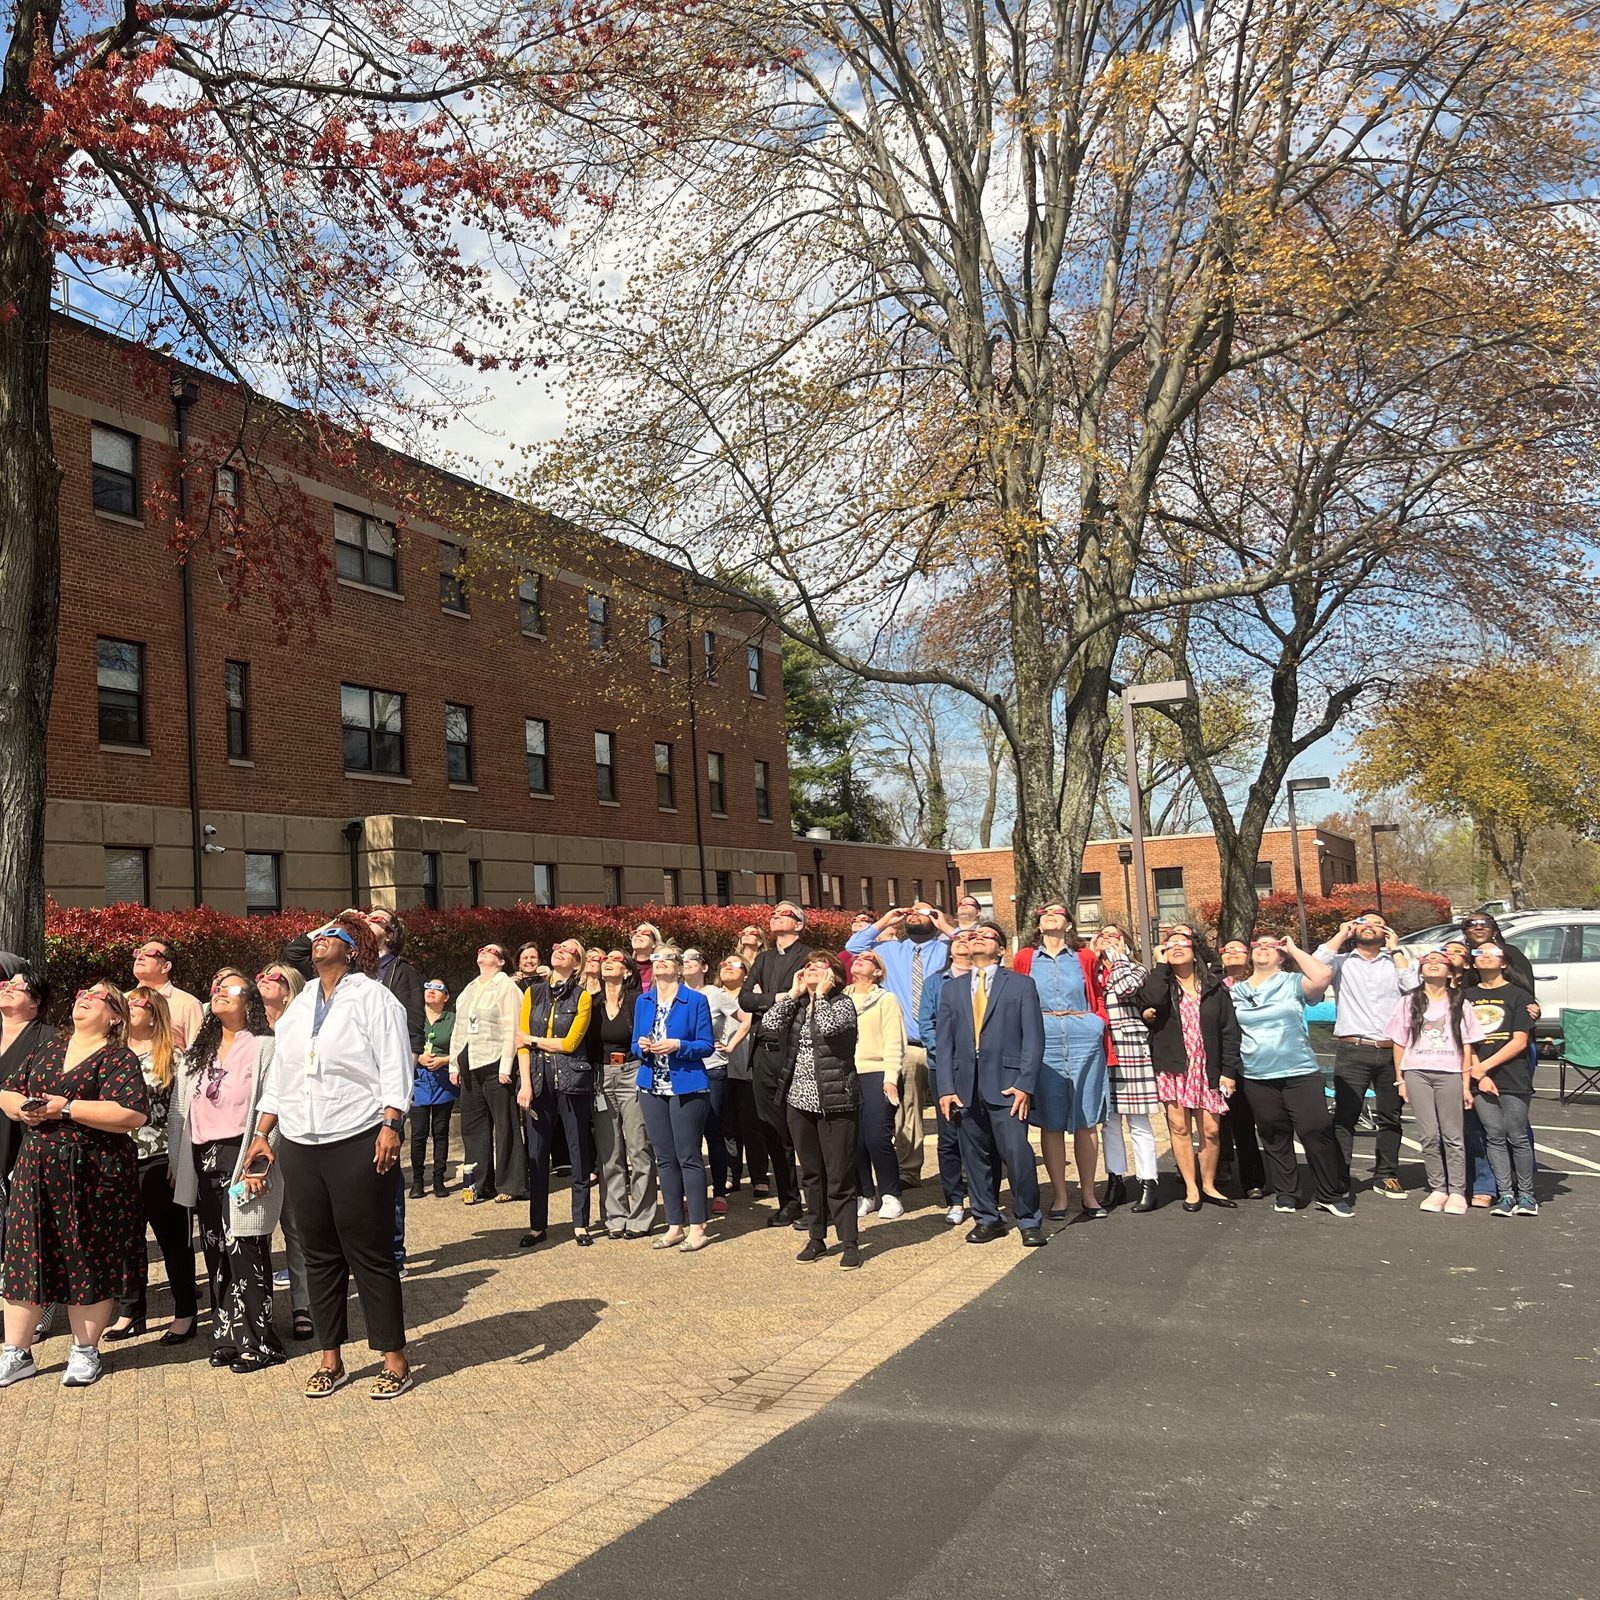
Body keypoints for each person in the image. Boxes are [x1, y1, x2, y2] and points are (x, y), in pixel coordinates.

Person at [244, 913, 414, 1399]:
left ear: (355, 947)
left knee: (369, 1253)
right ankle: (330, 1356)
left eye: (331, 935)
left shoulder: (374, 998)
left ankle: (394, 1358)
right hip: (300, 1142)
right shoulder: (297, 1010)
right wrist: (263, 1134)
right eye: (316, 937)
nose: (319, 941)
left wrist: (391, 1123)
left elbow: (395, 1063)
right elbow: (281, 1078)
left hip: (358, 1136)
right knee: (318, 1253)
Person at [0, 982, 148, 1390]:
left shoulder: (119, 1057)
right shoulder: (47, 1048)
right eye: (82, 991)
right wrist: (23, 1113)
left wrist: (63, 1108)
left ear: (116, 1015)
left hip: (94, 1172)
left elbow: (132, 1112)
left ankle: (85, 1351)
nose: (84, 995)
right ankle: (17, 1353)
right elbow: (8, 1090)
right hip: (38, 1166)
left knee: (88, 1258)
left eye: (97, 995)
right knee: (25, 1254)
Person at [167, 970, 284, 1371]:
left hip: (244, 1154)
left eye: (230, 991)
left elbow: (277, 1105)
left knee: (246, 1247)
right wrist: (176, 1161)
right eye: (215, 990)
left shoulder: (265, 1047)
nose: (219, 993)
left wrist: (262, 1164)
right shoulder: (200, 1050)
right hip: (203, 1158)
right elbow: (179, 1111)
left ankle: (262, 1343)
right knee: (215, 1250)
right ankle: (227, 1337)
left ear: (249, 1003)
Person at [934, 921, 1047, 1249]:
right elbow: (944, 1045)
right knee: (975, 1155)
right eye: (972, 936)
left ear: (1001, 947)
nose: (976, 939)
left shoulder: (1021, 985)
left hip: (1008, 1086)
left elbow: (1034, 1040)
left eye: (986, 936)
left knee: (1017, 1154)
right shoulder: (952, 989)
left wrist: (1025, 1084)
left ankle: (1028, 1219)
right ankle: (987, 1218)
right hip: (965, 1087)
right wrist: (945, 1087)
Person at [1229, 936, 1351, 1217]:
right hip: (1257, 1074)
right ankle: (1286, 1193)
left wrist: (1293, 948)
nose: (1262, 947)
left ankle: (1328, 1194)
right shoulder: (1237, 990)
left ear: (1281, 955)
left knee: (1316, 1130)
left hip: (1299, 1071)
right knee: (1273, 1134)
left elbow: (1322, 975)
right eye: (1258, 944)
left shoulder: (1293, 981)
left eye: (1271, 945)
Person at [105, 987, 198, 1343]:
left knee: (173, 1239)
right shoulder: (111, 1055)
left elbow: (183, 1112)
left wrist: (179, 1158)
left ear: (154, 1012)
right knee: (126, 1241)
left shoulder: (173, 1057)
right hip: (117, 1158)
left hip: (160, 1157)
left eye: (136, 1003)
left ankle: (185, 1311)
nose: (129, 1008)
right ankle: (131, 1310)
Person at [762, 951, 863, 1267]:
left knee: (839, 1175)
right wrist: (793, 993)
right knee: (811, 1174)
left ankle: (850, 1243)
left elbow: (832, 1028)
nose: (809, 970)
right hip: (799, 1102)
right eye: (806, 966)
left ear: (833, 975)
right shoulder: (797, 1006)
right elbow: (768, 1024)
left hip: (835, 1102)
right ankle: (816, 1238)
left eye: (818, 966)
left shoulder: (841, 1004)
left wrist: (820, 995)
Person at [1012, 903, 1110, 1221]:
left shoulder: (1085, 957)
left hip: (1084, 1037)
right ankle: (1059, 1195)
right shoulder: (1025, 957)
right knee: (1051, 1121)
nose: (1050, 915)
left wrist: (1098, 1024)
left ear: (1069, 924)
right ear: (1039, 925)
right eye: (1044, 913)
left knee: (1085, 1119)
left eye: (1057, 912)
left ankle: (1090, 1195)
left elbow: (1098, 994)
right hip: (1044, 1040)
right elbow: (1017, 998)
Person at [845, 901, 950, 1187]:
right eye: (911, 911)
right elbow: (854, 946)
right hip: (908, 1045)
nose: (916, 914)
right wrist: (885, 920)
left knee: (953, 1109)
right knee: (907, 1109)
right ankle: (908, 1170)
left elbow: (970, 945)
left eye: (924, 911)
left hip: (945, 1043)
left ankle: (960, 1169)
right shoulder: (890, 951)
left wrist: (944, 925)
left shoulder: (946, 949)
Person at [1138, 932, 1241, 1213]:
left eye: (1183, 944)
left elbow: (1229, 1031)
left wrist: (1229, 1070)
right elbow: (1149, 1000)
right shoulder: (1162, 984)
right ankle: (1191, 1188)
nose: (1176, 948)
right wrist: (1160, 966)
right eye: (1170, 945)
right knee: (1180, 1127)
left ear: (1195, 952)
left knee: (1210, 1129)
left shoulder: (1214, 987)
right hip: (1174, 1065)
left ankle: (1209, 1184)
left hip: (1208, 1067)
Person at [1314, 912, 1412, 1199]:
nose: (1369, 926)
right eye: (1363, 921)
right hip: (1352, 1049)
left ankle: (1386, 1174)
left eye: (1376, 922)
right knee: (1345, 1116)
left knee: (1390, 1116)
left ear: (1386, 931)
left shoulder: (1396, 962)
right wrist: (1341, 934)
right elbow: (1316, 965)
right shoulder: (1342, 963)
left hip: (1391, 1049)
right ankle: (1340, 1175)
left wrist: (1396, 949)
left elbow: (1413, 988)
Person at [1386, 948, 1484, 1215]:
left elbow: (1466, 1046)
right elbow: (1399, 1042)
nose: (1432, 964)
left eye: (1439, 961)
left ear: (1450, 971)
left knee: (1453, 1136)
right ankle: (1437, 1188)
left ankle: (1457, 1191)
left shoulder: (1459, 1003)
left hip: (1450, 1073)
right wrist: (1401, 1079)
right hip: (1417, 1072)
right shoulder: (1409, 1002)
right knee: (1428, 1135)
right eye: (1427, 961)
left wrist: (1465, 1084)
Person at [634, 947, 715, 1252]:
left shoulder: (695, 1000)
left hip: (687, 1085)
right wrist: (642, 1046)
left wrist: (678, 1045)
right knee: (664, 1159)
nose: (661, 961)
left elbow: (706, 1045)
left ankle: (697, 1226)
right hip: (652, 1086)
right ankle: (674, 1225)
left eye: (668, 957)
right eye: (656, 958)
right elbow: (634, 1043)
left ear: (680, 968)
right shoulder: (644, 1001)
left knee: (688, 1157)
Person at [517, 938, 595, 1249]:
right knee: (537, 1154)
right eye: (558, 946)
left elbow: (571, 1043)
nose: (560, 949)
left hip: (572, 1079)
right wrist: (525, 1083)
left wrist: (534, 1040)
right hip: (537, 1079)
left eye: (569, 949)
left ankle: (581, 1223)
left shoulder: (582, 996)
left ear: (577, 963)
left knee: (578, 1151)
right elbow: (519, 1042)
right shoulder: (532, 992)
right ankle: (537, 1226)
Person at [739, 903, 811, 1226]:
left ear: (799, 926)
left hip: (794, 1052)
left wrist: (764, 998)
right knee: (773, 1133)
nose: (775, 916)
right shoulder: (763, 959)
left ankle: (819, 1204)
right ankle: (789, 1201)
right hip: (763, 1055)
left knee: (802, 1132)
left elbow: (806, 997)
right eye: (774, 913)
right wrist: (783, 997)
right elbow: (744, 999)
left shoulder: (809, 957)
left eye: (785, 914)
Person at [1463, 945, 1538, 1217]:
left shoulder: (1519, 996)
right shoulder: (1467, 996)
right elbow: (1465, 1041)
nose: (1484, 956)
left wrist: (1483, 1069)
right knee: (1493, 1136)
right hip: (1478, 1076)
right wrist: (1477, 1073)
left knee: (1516, 1136)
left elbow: (1519, 1041)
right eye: (1478, 954)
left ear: (1504, 962)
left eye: (1491, 953)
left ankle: (1527, 1195)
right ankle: (1505, 1194)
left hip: (1512, 1075)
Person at [1091, 928, 1162, 1213]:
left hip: (1130, 1049)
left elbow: (1126, 989)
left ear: (1124, 943)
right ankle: (1115, 1179)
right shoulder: (1091, 973)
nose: (1105, 938)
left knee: (1138, 1121)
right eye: (1101, 935)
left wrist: (1117, 958)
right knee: (1109, 1122)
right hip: (1100, 1049)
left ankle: (1148, 1181)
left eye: (1113, 935)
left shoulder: (1134, 969)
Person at [449, 943, 524, 1205]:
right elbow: (459, 1029)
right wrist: (454, 1065)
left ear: (502, 961)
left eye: (491, 950)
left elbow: (512, 1028)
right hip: (470, 1061)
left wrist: (506, 1066)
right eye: (481, 949)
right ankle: (479, 1183)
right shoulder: (469, 988)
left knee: (505, 1125)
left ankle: (511, 1183)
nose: (483, 951)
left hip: (495, 1063)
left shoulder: (507, 988)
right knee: (473, 1127)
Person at [591, 950, 656, 1239]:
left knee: (638, 1147)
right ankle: (615, 1216)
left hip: (632, 1071)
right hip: (602, 1075)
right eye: (606, 959)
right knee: (609, 1150)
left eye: (616, 959)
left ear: (628, 971)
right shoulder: (591, 1003)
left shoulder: (637, 1001)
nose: (608, 961)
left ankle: (641, 1217)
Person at [918, 929, 975, 1224]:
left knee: (980, 1134)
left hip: (979, 1065)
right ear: (950, 951)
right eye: (958, 940)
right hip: (944, 1065)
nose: (964, 941)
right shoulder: (935, 982)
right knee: (949, 1135)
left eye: (970, 938)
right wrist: (946, 1053)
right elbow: (926, 1024)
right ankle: (954, 1199)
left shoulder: (989, 979)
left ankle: (981, 1196)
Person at [846, 951, 906, 1222]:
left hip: (877, 1072)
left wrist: (891, 1077)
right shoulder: (840, 998)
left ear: (878, 972)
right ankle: (865, 1194)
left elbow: (895, 1040)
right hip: (845, 1074)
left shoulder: (887, 999)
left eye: (868, 958)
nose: (860, 959)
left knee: (877, 1137)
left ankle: (891, 1194)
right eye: (857, 957)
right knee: (853, 1139)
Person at [0, 966, 54, 1257]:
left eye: (18, 986)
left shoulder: (48, 1038)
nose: (7, 987)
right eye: (6, 983)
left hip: (23, 1137)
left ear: (35, 1002)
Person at [684, 949, 737, 1214]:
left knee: (713, 1131)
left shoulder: (717, 994)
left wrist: (729, 1044)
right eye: (683, 960)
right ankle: (691, 1193)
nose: (686, 964)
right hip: (683, 1069)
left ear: (705, 967)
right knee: (687, 1135)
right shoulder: (675, 993)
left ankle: (719, 1191)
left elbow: (745, 1018)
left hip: (713, 1069)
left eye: (693, 960)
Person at [1215, 937, 1268, 1199]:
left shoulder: (1257, 982)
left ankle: (1261, 1176)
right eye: (1226, 950)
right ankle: (1229, 1169)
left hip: (1255, 1058)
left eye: (1238, 949)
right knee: (1227, 1121)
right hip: (1225, 1061)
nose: (1231, 953)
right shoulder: (1213, 986)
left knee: (1256, 1120)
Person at [714, 955, 766, 1200]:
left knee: (752, 1126)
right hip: (721, 1069)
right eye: (724, 964)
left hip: (747, 1068)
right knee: (727, 1127)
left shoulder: (751, 997)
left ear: (746, 972)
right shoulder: (711, 995)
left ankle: (759, 1177)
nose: (728, 967)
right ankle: (731, 1175)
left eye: (735, 964)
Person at [412, 980, 458, 1197]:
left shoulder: (453, 1019)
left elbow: (462, 1047)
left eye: (438, 988)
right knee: (419, 1133)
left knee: (440, 1132)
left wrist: (444, 1060)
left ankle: (439, 1180)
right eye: (428, 986)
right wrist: (417, 1057)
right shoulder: (413, 1016)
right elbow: (400, 1043)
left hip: (443, 1080)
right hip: (418, 1080)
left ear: (446, 997)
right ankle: (418, 1181)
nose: (431, 990)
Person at [130, 937, 203, 1049]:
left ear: (166, 967)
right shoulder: (122, 1001)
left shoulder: (188, 1004)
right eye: (138, 952)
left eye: (149, 953)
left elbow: (198, 1052)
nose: (140, 957)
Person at [630, 923, 662, 992]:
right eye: (635, 932)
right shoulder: (626, 967)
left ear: (654, 943)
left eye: (644, 933)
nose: (638, 935)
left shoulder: (661, 966)